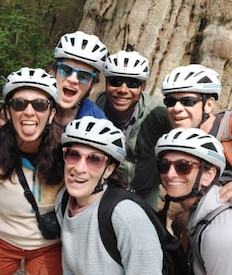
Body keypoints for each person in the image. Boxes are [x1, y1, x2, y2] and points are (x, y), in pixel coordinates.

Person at [0, 67, 64, 274]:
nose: (29, 112)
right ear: (8, 112)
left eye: (40, 105)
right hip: (1, 241)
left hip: (47, 245)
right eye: (19, 104)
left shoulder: (67, 153)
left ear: (51, 114)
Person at [55, 116, 163, 274]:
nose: (79, 168)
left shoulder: (127, 216)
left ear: (109, 169)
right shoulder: (63, 200)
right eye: (73, 155)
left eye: (94, 159)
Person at [96, 50, 171, 208]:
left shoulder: (158, 114)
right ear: (106, 83)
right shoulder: (95, 111)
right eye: (116, 81)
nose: (123, 89)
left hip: (145, 195)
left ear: (143, 86)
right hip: (105, 190)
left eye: (132, 83)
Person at [155, 127, 232, 274]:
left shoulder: (218, 233)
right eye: (164, 165)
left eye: (183, 166)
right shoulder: (201, 215)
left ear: (208, 175)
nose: (170, 174)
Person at [161, 64, 232, 177]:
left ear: (209, 105)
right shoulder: (170, 138)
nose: (176, 108)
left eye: (188, 101)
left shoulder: (229, 127)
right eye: (170, 102)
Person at [52, 30, 108, 127]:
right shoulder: (32, 106)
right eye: (65, 70)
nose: (72, 79)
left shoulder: (97, 122)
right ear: (54, 72)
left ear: (93, 84)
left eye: (84, 76)